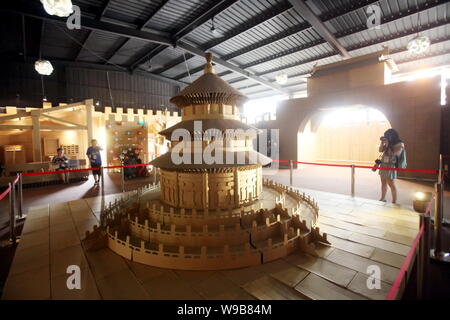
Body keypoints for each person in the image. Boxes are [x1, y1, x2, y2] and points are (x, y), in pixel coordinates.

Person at [378, 129, 405, 204]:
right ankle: (382, 198)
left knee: (391, 184)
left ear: (391, 136)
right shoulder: (388, 143)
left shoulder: (400, 144)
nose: (386, 137)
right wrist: (382, 142)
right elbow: (380, 150)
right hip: (383, 164)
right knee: (383, 183)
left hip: (391, 166)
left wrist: (388, 143)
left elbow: (392, 154)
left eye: (387, 136)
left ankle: (394, 201)